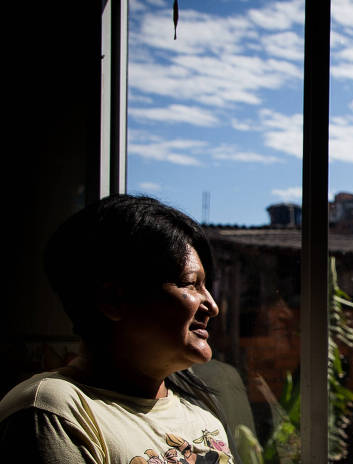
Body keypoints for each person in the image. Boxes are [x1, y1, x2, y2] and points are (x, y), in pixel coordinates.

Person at [0, 194, 237, 463]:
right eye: (190, 284)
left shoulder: (203, 421)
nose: (213, 306)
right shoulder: (54, 412)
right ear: (113, 300)